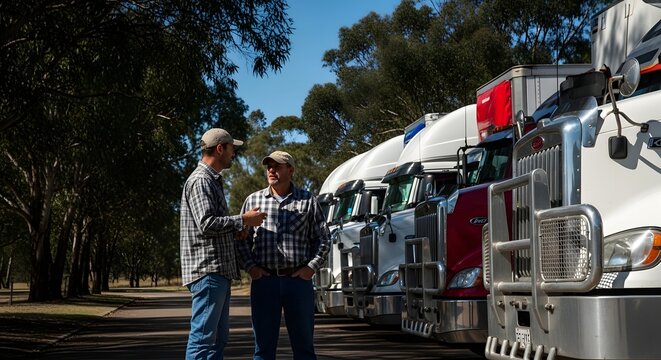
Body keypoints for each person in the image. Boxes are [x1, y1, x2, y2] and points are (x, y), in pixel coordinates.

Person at [180, 128, 267, 360]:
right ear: (220, 149)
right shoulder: (201, 180)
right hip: (209, 271)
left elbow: (212, 228)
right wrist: (244, 219)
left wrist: (235, 233)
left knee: (218, 339)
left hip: (217, 271)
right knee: (203, 340)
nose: (234, 154)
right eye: (231, 149)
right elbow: (206, 224)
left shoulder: (212, 180)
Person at [236, 151, 330, 360]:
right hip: (264, 282)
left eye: (277, 166)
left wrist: (310, 268)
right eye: (269, 166)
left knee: (304, 348)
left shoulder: (308, 200)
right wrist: (251, 267)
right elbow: (240, 239)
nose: (271, 170)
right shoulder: (253, 201)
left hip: (298, 282)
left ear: (291, 170)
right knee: (263, 349)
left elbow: (323, 239)